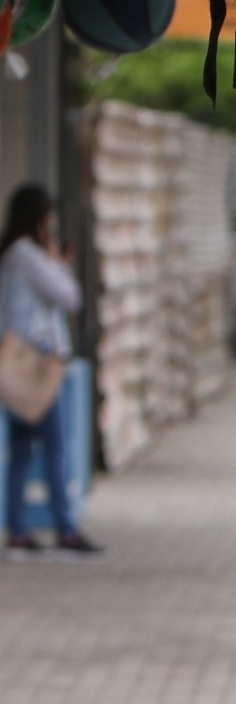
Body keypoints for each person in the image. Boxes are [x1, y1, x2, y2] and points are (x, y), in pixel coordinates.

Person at [1, 185, 102, 559]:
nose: (54, 225)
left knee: (21, 451)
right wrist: (58, 262)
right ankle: (65, 528)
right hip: (37, 366)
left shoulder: (12, 255)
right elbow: (68, 296)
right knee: (55, 447)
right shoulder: (28, 256)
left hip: (20, 365)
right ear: (39, 219)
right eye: (50, 218)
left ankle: (18, 532)